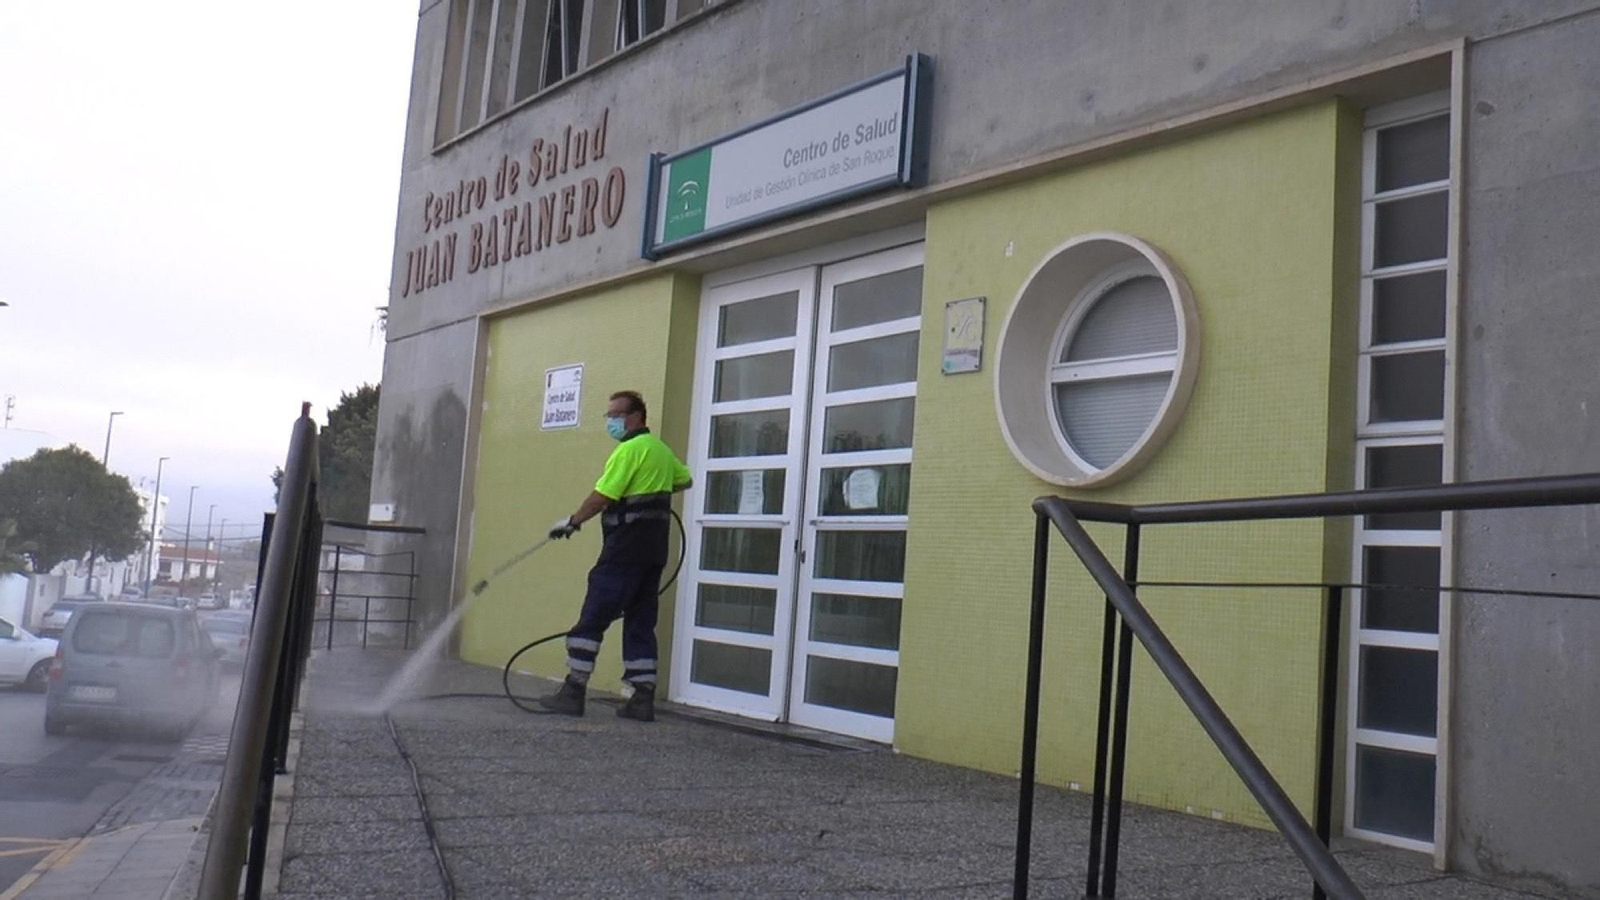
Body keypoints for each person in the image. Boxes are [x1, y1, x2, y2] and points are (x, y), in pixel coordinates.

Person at [539, 390, 691, 722]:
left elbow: (602, 496)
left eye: (615, 415)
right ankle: (642, 699)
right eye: (609, 416)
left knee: (594, 616)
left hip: (623, 550)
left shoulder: (628, 451)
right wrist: (652, 489)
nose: (610, 421)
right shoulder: (660, 451)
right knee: (640, 622)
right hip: (653, 553)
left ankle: (573, 690)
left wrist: (572, 521)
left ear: (636, 416)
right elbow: (685, 479)